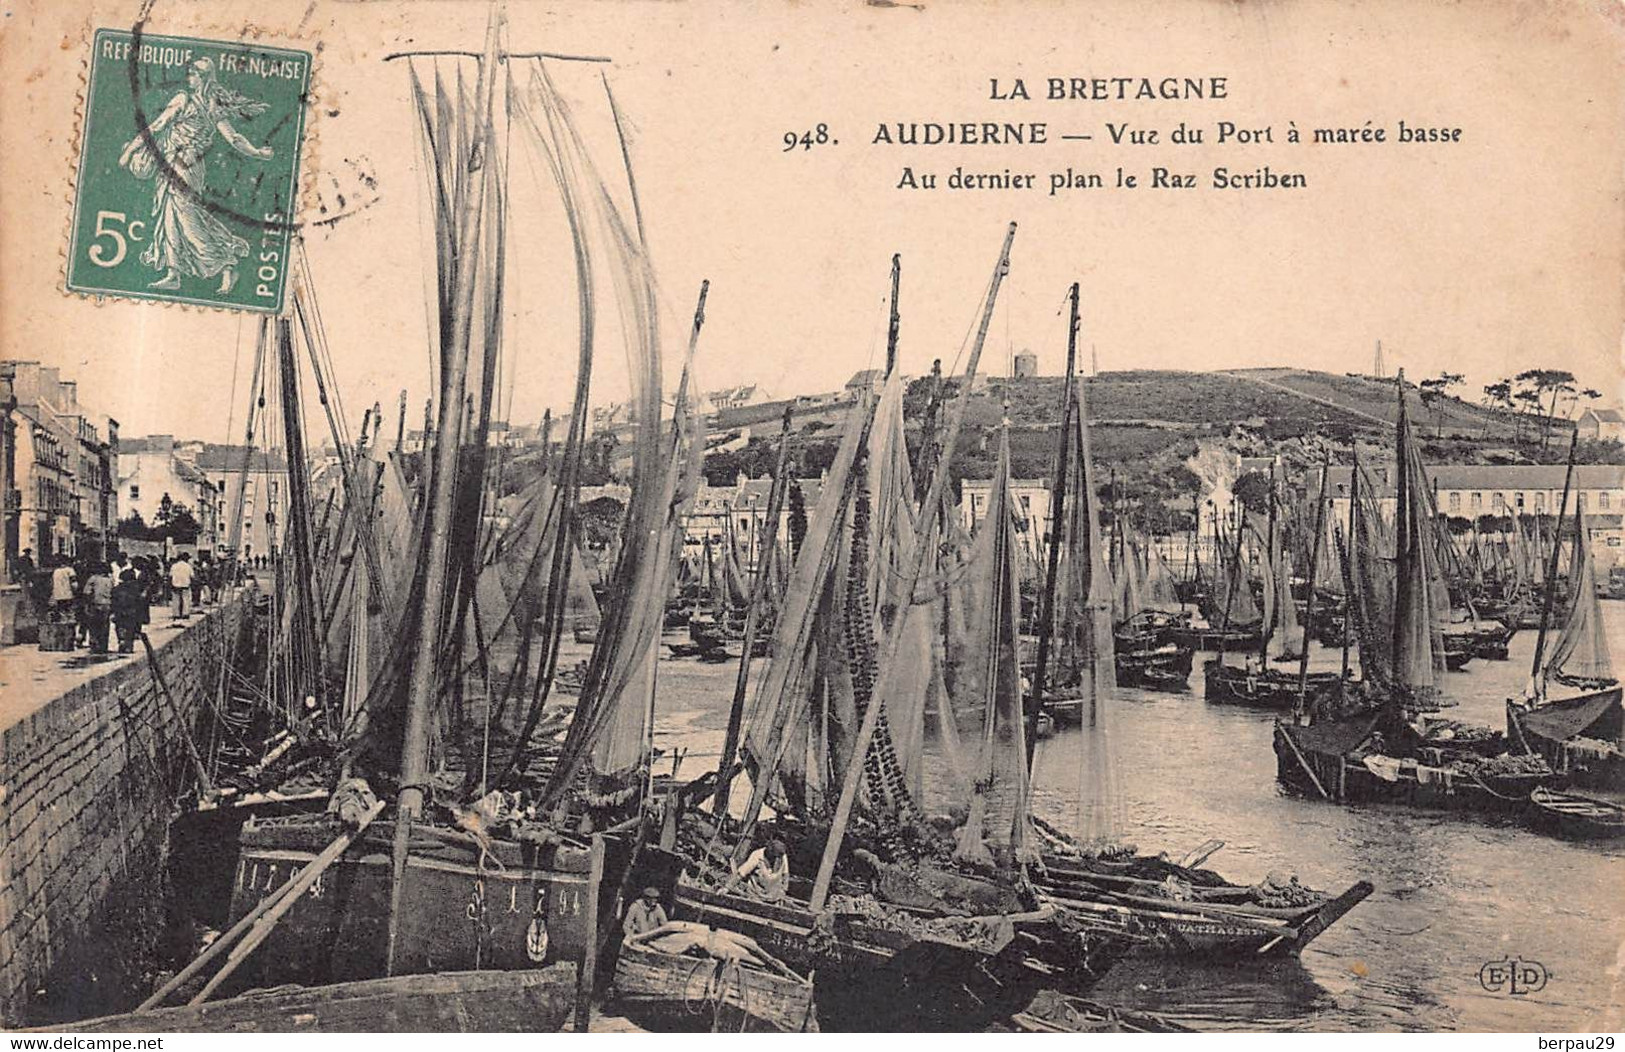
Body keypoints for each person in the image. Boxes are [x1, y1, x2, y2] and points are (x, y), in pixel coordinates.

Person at [118, 58, 276, 294]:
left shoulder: (197, 103)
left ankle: (227, 261)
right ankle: (173, 274)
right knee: (171, 215)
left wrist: (130, 150)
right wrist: (258, 153)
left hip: (186, 167)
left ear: (203, 77)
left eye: (192, 74)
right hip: (174, 163)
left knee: (187, 217)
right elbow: (161, 125)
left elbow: (159, 126)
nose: (188, 77)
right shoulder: (205, 104)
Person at [725, 839, 790, 902]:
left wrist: (783, 891)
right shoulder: (757, 855)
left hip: (774, 894)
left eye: (777, 857)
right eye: (774, 856)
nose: (776, 859)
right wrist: (727, 887)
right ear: (769, 851)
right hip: (757, 893)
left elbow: (785, 875)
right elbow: (742, 873)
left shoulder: (782, 856)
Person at [112, 570, 146, 653]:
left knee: (119, 627)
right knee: (130, 629)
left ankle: (121, 640)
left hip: (119, 612)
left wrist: (113, 611)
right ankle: (128, 646)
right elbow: (139, 601)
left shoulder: (117, 589)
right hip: (132, 612)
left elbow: (113, 600)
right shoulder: (135, 589)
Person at [84, 564, 114, 653]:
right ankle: (103, 646)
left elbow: (87, 592)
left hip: (95, 603)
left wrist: (87, 605)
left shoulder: (93, 579)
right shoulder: (110, 580)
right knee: (104, 626)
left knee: (93, 625)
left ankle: (94, 645)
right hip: (107, 604)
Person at [49, 559, 78, 625]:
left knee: (61, 610)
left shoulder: (55, 571)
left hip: (57, 594)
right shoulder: (70, 570)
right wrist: (75, 591)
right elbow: (74, 582)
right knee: (70, 610)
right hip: (67, 593)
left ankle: (62, 623)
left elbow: (51, 583)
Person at [170, 553, 194, 620]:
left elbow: (170, 575)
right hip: (185, 585)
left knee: (176, 600)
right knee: (185, 599)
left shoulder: (174, 566)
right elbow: (192, 576)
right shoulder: (188, 566)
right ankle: (185, 613)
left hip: (175, 585)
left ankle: (176, 614)